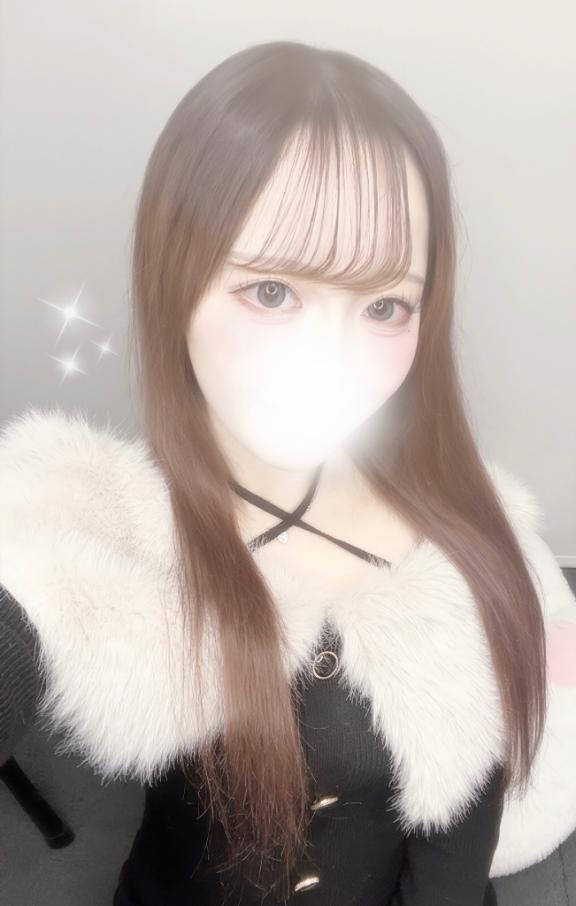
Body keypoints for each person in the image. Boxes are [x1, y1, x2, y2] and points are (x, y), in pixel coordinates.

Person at [1, 40, 575, 906]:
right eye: (272, 292)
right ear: (174, 282)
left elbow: (458, 851)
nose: (330, 362)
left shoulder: (468, 538)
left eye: (385, 305)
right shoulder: (82, 526)